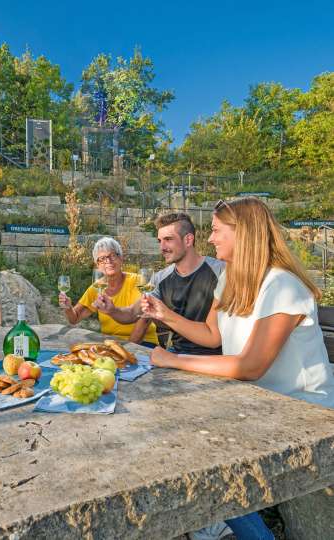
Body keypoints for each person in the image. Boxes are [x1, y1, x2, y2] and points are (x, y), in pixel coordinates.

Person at [144, 198, 334, 539]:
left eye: (217, 231)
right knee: (173, 428)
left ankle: (227, 529)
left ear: (243, 234)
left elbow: (250, 366)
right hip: (256, 403)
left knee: (194, 447)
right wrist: (164, 315)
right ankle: (213, 525)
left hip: (301, 410)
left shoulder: (282, 285)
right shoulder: (230, 277)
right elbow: (210, 334)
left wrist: (173, 360)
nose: (211, 239)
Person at [94, 214, 224, 354]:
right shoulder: (160, 278)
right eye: (160, 241)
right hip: (176, 354)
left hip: (215, 357)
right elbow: (132, 313)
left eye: (168, 239)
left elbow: (216, 337)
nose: (162, 247)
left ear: (188, 240)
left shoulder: (221, 271)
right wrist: (112, 310)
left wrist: (165, 314)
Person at [58, 237, 159, 346]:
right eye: (102, 258)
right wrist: (68, 308)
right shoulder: (96, 288)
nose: (108, 261)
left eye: (113, 256)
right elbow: (74, 318)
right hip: (111, 343)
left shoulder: (139, 282)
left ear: (121, 258)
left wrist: (127, 350)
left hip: (143, 343)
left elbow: (144, 321)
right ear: (97, 265)